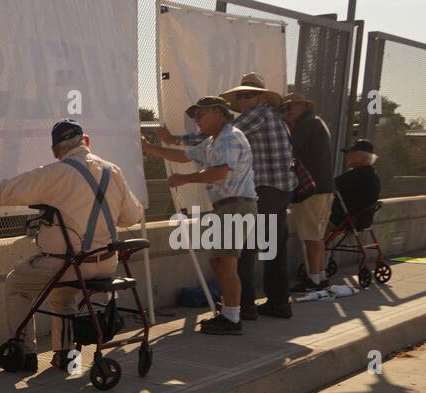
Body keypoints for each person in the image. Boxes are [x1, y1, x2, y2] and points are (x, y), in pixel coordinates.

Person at [0, 120, 143, 371]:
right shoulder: (113, 171)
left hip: (69, 263)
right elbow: (132, 217)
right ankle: (66, 356)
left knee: (17, 284)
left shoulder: (55, 173)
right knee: (63, 293)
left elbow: (2, 192)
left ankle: (25, 353)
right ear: (86, 141)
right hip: (106, 264)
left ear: (56, 151)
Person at [156, 73, 294, 319]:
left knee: (242, 252)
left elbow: (213, 134)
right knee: (270, 249)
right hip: (277, 189)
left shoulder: (258, 115)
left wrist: (173, 140)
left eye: (248, 94)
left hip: (265, 189)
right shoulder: (269, 116)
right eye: (240, 95)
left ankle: (243, 307)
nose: (242, 100)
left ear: (261, 97)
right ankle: (275, 303)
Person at [144, 97, 257, 335]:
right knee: (218, 261)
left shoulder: (229, 138)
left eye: (200, 114)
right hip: (229, 207)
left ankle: (233, 318)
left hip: (236, 206)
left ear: (218, 112)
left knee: (226, 263)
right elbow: (184, 156)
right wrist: (149, 149)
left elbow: (220, 172)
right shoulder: (214, 141)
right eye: (194, 115)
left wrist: (184, 179)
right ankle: (229, 312)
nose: (196, 119)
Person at [281, 92, 336, 292]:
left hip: (311, 191)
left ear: (304, 105)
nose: (287, 111)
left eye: (291, 106)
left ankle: (314, 281)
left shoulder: (307, 124)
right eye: (285, 108)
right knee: (317, 237)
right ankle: (319, 277)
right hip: (323, 188)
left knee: (311, 238)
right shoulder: (315, 122)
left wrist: (287, 124)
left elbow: (288, 148)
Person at [330, 139, 381, 229]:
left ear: (361, 157)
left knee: (314, 223)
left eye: (351, 154)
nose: (347, 156)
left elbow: (330, 185)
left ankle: (320, 243)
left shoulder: (358, 175)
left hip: (347, 220)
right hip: (364, 220)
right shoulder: (371, 173)